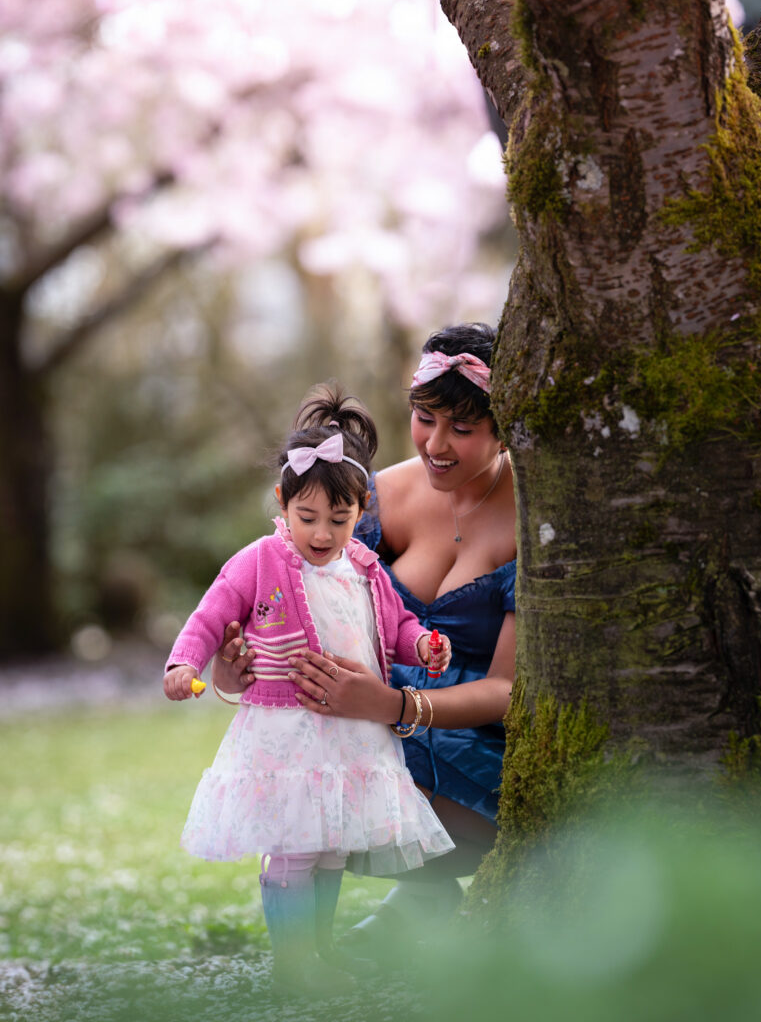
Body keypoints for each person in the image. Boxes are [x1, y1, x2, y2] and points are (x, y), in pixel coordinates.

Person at [214, 323, 516, 958]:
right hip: (356, 715)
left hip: (471, 740)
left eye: (461, 429)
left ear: (505, 426)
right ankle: (312, 951)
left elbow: (508, 688)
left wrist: (396, 706)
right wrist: (238, 668)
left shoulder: (533, 515)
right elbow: (290, 602)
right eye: (424, 417)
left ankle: (424, 892)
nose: (436, 443)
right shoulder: (369, 496)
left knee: (340, 800)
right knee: (294, 783)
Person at [162, 382, 454, 995]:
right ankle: (293, 964)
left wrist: (421, 645)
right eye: (308, 518)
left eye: (340, 520)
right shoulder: (260, 561)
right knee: (295, 849)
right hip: (287, 733)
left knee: (330, 849)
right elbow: (210, 615)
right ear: (282, 502)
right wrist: (182, 663)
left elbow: (394, 625)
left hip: (350, 734)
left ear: (361, 511)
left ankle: (319, 951)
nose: (322, 533)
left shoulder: (366, 569)